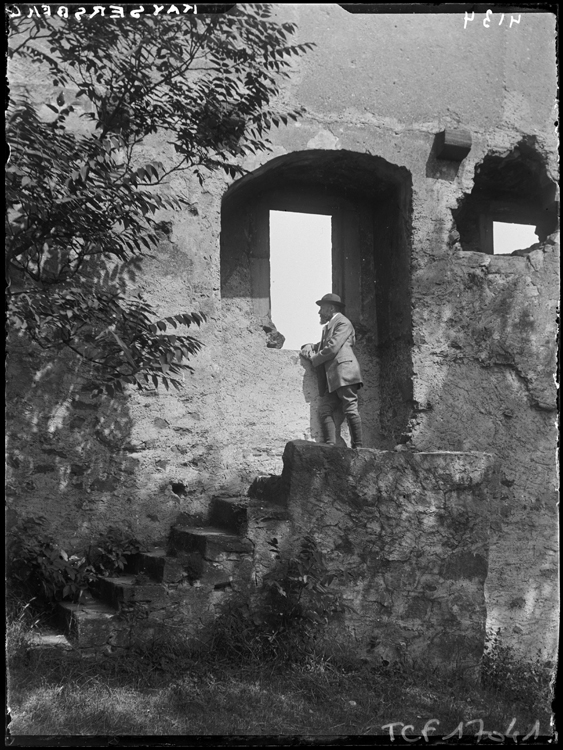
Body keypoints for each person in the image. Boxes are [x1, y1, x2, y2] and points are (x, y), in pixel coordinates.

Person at [300, 293, 363, 449]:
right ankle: (330, 446)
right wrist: (309, 346)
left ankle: (359, 447)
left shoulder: (343, 323)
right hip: (332, 377)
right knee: (324, 410)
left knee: (350, 408)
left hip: (344, 372)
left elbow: (333, 347)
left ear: (331, 308)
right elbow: (324, 345)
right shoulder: (329, 327)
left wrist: (314, 359)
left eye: (322, 308)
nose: (319, 312)